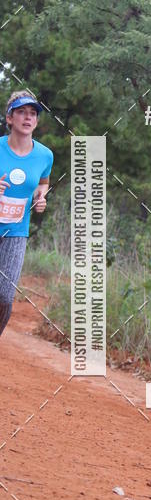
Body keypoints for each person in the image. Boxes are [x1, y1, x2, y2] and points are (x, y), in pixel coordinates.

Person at [0, 90, 53, 337]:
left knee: (4, 295)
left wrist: (40, 196)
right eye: (21, 112)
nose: (27, 117)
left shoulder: (44, 155)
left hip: (16, 232)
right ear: (10, 118)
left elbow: (43, 181)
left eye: (33, 113)